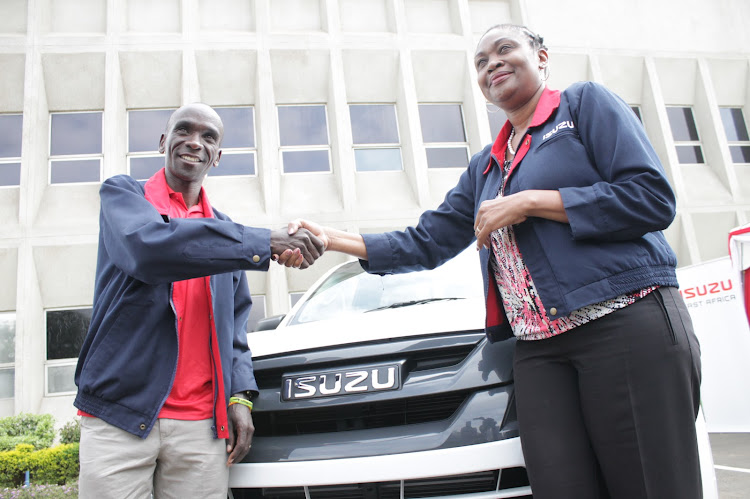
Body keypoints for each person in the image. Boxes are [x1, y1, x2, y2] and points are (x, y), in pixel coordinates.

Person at [281, 24, 703, 499]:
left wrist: (529, 201)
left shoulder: (583, 105)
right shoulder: (486, 165)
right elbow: (426, 241)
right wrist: (331, 237)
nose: (492, 65)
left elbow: (650, 198)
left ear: (541, 57)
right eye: (481, 62)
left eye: (505, 50)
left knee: (650, 483)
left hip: (624, 322)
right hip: (539, 350)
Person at [74, 103, 325, 499]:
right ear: (163, 142)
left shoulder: (229, 238)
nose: (194, 142)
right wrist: (265, 242)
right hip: (118, 415)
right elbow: (149, 250)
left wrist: (241, 395)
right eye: (184, 131)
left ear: (218, 155)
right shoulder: (123, 195)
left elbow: (235, 330)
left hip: (200, 426)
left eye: (208, 137)